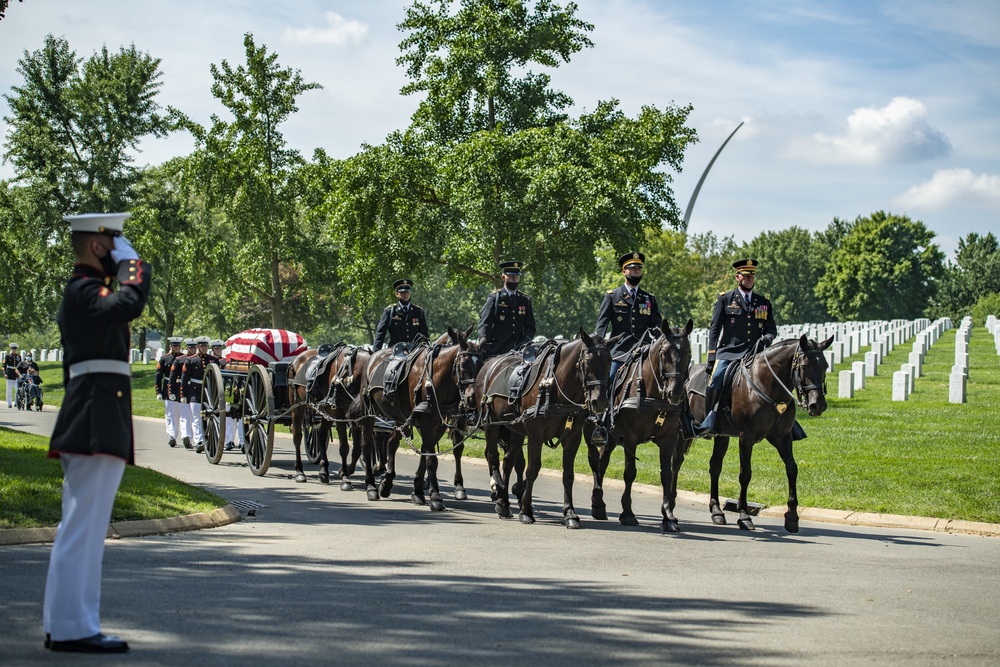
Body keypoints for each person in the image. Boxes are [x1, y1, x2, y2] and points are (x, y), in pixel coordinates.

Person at [43, 211, 151, 654]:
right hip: (92, 418)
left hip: (97, 415)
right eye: (116, 244)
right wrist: (136, 267)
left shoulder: (88, 290)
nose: (122, 255)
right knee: (83, 528)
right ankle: (71, 627)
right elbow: (129, 304)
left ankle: (70, 623)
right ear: (97, 246)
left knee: (86, 527)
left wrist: (124, 265)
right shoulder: (83, 291)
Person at [699, 258, 777, 435]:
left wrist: (768, 337)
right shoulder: (725, 300)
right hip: (730, 352)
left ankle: (785, 423)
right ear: (737, 277)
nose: (750, 279)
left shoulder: (763, 302)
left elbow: (771, 328)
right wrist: (712, 357)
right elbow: (715, 329)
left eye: (752, 276)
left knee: (779, 379)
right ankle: (709, 419)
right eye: (746, 276)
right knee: (716, 379)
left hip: (755, 353)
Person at [595, 251, 663, 388]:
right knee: (609, 381)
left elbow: (657, 325)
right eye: (632, 269)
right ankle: (606, 409)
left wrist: (660, 338)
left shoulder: (648, 298)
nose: (636, 272)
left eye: (638, 269)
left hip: (644, 348)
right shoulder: (612, 296)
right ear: (624, 271)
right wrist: (598, 346)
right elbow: (601, 325)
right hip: (620, 350)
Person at [478, 260, 536, 358]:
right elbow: (485, 324)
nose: (514, 280)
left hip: (519, 350)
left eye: (517, 277)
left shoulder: (524, 300)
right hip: (497, 350)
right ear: (503, 277)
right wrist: (485, 345)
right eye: (512, 277)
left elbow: (530, 327)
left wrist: (525, 341)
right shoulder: (495, 298)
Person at [373, 278, 430, 350]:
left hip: (414, 350)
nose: (406, 294)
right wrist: (376, 351)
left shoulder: (418, 311)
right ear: (397, 294)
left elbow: (424, 333)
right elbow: (381, 333)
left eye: (407, 292)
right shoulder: (390, 311)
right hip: (395, 350)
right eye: (403, 292)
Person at [155, 337, 183, 447]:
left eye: (178, 346)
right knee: (170, 413)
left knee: (178, 414)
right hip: (168, 388)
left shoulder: (183, 358)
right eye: (175, 346)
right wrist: (158, 392)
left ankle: (175, 435)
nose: (177, 348)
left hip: (179, 387)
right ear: (170, 346)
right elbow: (158, 376)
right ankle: (171, 435)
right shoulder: (164, 358)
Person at [181, 336, 208, 453]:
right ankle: (199, 441)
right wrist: (183, 395)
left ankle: (208, 440)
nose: (204, 348)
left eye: (206, 346)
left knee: (207, 418)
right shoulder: (190, 360)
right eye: (202, 346)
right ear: (198, 347)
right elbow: (184, 379)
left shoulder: (213, 360)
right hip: (195, 391)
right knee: (197, 417)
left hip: (208, 391)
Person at [170, 339, 195, 448]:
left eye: (194, 347)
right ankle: (186, 436)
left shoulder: (197, 360)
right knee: (185, 415)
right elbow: (172, 377)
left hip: (194, 390)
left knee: (194, 416)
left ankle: (190, 437)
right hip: (183, 389)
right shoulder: (180, 360)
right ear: (187, 348)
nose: (192, 349)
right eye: (190, 347)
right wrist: (171, 391)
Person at [4, 342, 21, 408]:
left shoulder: (18, 356)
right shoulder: (7, 356)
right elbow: (4, 365)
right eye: (12, 349)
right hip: (10, 374)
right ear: (11, 349)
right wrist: (5, 373)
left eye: (15, 349)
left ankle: (16, 401)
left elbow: (20, 365)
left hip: (16, 374)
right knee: (9, 390)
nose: (14, 350)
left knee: (17, 389)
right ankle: (9, 403)